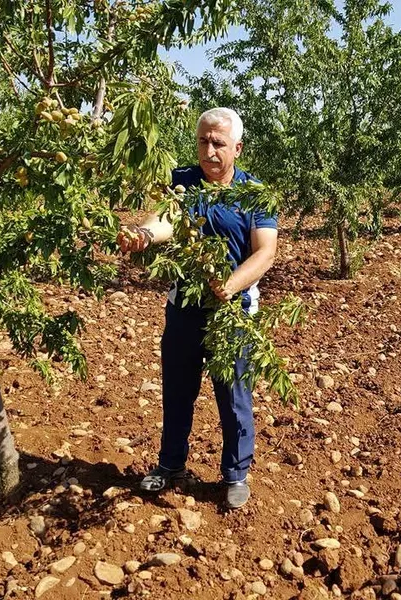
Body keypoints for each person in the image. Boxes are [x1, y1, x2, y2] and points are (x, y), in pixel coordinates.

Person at [117, 107, 278, 509]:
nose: (209, 150)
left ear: (237, 148)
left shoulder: (254, 193)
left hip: (233, 312)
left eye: (218, 143)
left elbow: (266, 252)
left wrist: (232, 283)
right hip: (185, 307)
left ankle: (236, 474)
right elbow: (164, 219)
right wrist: (143, 234)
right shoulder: (182, 183)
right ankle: (170, 465)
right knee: (177, 389)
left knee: (234, 393)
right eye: (203, 141)